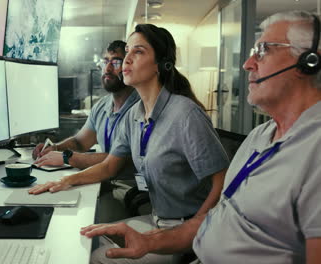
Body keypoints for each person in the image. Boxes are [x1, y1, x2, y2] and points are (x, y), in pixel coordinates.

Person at [80, 10, 321, 264]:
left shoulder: (313, 152)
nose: (247, 64)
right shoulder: (260, 135)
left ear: (309, 61)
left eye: (263, 50)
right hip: (186, 238)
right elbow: (217, 216)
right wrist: (148, 241)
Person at [30, 23, 229, 264]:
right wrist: (63, 181)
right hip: (157, 221)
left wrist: (192, 229)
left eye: (138, 51)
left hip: (188, 232)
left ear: (160, 65)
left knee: (95, 259)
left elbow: (223, 182)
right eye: (128, 50)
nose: (127, 59)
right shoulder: (135, 115)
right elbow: (109, 166)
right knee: (82, 238)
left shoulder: (185, 115)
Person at [32, 40, 141, 222]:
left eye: (115, 62)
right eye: (105, 61)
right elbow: (80, 142)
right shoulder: (102, 106)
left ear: (129, 66)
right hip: (102, 183)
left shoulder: (141, 107)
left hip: (128, 188)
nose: (107, 69)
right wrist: (54, 148)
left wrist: (67, 157)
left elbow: (120, 162)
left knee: (79, 222)